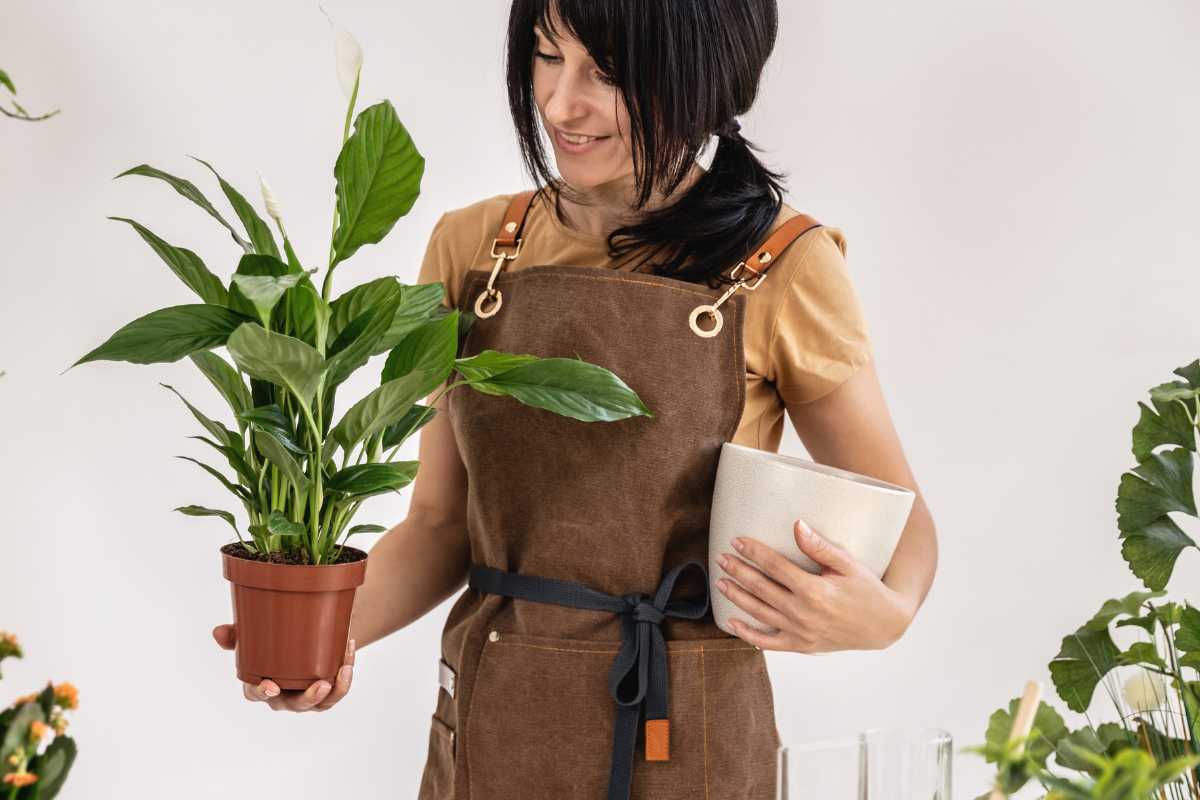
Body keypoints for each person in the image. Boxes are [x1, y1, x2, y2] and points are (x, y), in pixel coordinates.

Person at [214, 1, 938, 797]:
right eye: (546, 56)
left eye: (610, 73)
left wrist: (885, 615)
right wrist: (322, 640)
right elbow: (439, 524)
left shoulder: (783, 265)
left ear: (705, 74)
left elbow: (902, 526)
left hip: (688, 732)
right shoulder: (474, 250)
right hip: (499, 716)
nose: (561, 104)